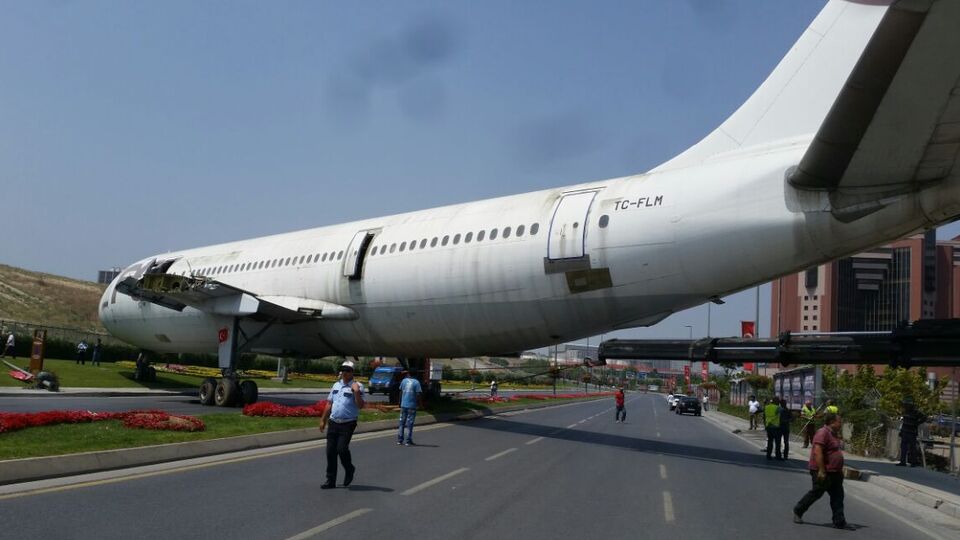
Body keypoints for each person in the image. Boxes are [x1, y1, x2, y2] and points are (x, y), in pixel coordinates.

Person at [793, 413, 847, 529]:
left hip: (835, 472)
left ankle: (839, 521)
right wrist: (821, 471)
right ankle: (798, 510)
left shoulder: (834, 434)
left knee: (838, 496)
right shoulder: (823, 433)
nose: (841, 424)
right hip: (822, 470)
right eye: (839, 422)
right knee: (816, 493)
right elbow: (818, 452)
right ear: (832, 422)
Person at [319, 359, 365, 489]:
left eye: (348, 370)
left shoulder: (358, 386)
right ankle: (330, 480)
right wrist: (323, 420)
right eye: (343, 370)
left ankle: (349, 469)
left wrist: (356, 392)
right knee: (330, 452)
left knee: (342, 449)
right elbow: (329, 403)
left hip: (348, 423)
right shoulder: (336, 385)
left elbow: (360, 406)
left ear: (352, 372)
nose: (345, 372)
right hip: (334, 422)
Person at [397, 370, 422, 446]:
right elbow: (418, 394)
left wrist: (399, 402)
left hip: (403, 405)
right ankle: (408, 441)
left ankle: (400, 440)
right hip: (412, 406)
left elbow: (400, 392)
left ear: (408, 373)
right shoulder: (416, 382)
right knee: (409, 423)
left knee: (402, 423)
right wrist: (419, 404)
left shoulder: (404, 381)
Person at [897, 398, 924, 467]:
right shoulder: (905, 412)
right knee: (903, 447)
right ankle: (903, 462)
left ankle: (913, 462)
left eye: (907, 405)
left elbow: (924, 417)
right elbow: (904, 422)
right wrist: (901, 431)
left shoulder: (916, 412)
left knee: (912, 448)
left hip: (912, 432)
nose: (906, 406)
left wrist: (917, 423)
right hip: (905, 432)